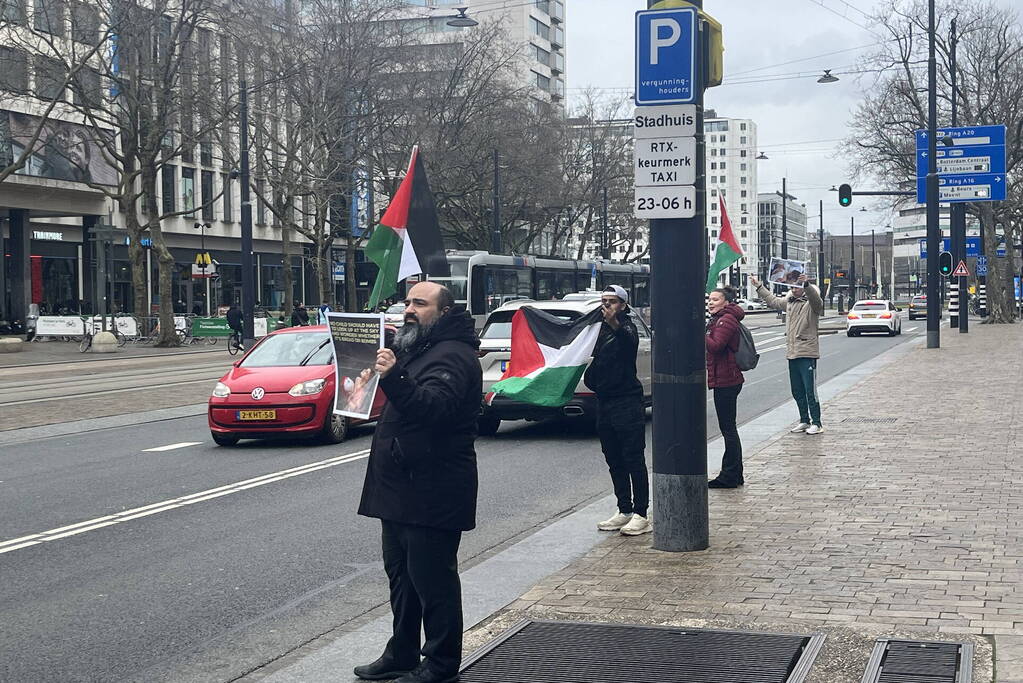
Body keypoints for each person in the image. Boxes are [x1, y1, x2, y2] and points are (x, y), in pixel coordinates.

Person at [354, 282, 482, 683]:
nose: (408, 309)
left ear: (443, 313)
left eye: (420, 304)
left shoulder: (454, 356)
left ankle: (441, 665)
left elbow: (435, 409)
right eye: (407, 302)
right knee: (402, 578)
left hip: (432, 489)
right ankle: (402, 652)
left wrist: (393, 376)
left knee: (433, 582)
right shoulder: (418, 347)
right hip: (400, 486)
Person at [583, 285, 651, 536]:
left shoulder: (627, 327)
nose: (607, 306)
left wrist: (614, 323)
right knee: (614, 458)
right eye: (603, 301)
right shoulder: (598, 330)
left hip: (627, 402)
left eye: (612, 301)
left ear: (623, 305)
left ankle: (641, 513)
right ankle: (624, 508)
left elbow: (629, 342)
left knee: (633, 458)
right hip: (605, 401)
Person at [752, 273, 825, 434]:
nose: (793, 289)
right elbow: (773, 301)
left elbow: (816, 301)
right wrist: (759, 286)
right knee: (797, 390)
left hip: (807, 352)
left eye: (796, 287)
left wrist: (806, 285)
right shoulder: (790, 302)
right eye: (791, 287)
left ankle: (817, 422)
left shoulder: (812, 304)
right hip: (792, 352)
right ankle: (804, 420)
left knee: (810, 390)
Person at [705, 285, 746, 488]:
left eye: (715, 299)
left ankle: (729, 475)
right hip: (725, 378)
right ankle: (735, 473)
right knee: (729, 428)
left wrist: (700, 334)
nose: (710, 303)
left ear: (726, 302)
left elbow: (715, 346)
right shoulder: (720, 319)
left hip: (727, 380)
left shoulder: (726, 320)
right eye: (710, 299)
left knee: (728, 429)